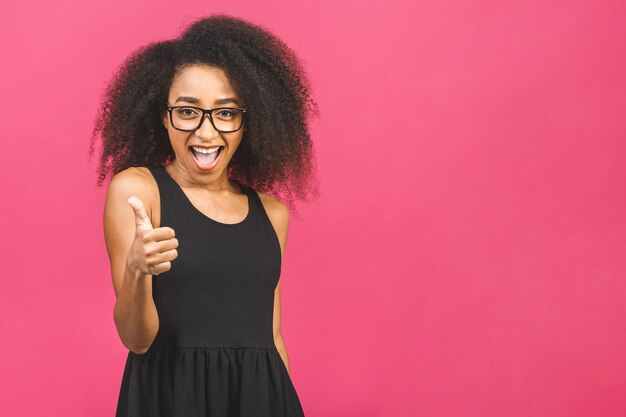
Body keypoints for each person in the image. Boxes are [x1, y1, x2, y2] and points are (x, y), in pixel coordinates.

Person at [90, 14, 319, 416]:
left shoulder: (271, 212)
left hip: (261, 401)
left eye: (226, 113)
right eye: (188, 111)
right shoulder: (140, 192)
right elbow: (137, 340)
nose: (207, 133)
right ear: (163, 116)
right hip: (173, 400)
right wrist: (139, 271)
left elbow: (273, 338)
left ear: (250, 122)